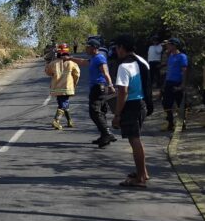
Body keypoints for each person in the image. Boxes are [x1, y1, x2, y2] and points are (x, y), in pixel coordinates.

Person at [112, 34, 153, 188]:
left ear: (121, 48)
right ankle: (143, 172)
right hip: (142, 103)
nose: (116, 51)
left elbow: (123, 92)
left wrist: (117, 115)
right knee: (134, 139)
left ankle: (140, 177)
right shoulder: (141, 60)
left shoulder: (124, 66)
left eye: (117, 47)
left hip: (132, 105)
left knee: (134, 140)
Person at [69, 38, 117, 148]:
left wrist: (110, 85)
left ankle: (107, 134)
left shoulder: (100, 58)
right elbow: (82, 62)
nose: (86, 48)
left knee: (94, 111)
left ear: (94, 48)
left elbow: (105, 72)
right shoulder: (94, 58)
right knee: (101, 111)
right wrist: (70, 58)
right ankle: (104, 137)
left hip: (99, 88)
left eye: (88, 47)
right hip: (97, 88)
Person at [45, 43, 80, 130]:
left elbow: (47, 72)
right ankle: (56, 121)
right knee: (64, 103)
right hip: (67, 87)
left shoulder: (53, 63)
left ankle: (69, 121)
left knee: (63, 103)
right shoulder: (71, 63)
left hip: (56, 88)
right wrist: (74, 83)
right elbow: (77, 74)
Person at [162, 37, 188, 131]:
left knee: (180, 103)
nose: (167, 46)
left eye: (169, 44)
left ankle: (182, 123)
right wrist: (165, 83)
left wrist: (182, 85)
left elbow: (184, 71)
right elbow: (169, 71)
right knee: (166, 104)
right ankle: (170, 122)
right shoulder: (170, 56)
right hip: (169, 83)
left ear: (174, 45)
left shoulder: (182, 56)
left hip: (177, 83)